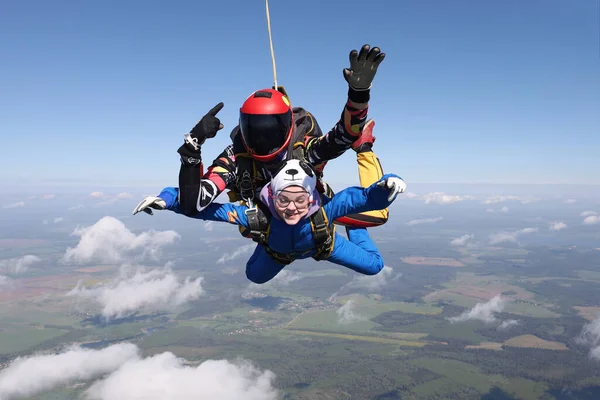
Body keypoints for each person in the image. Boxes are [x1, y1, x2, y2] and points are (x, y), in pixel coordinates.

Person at [172, 44, 389, 235]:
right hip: (267, 215)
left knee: (377, 215)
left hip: (309, 205)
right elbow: (192, 204)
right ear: (244, 128)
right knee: (257, 227)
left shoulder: (302, 148)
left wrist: (359, 94)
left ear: (287, 128)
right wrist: (193, 144)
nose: (263, 139)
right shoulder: (237, 158)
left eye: (271, 131)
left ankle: (364, 148)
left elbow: (343, 136)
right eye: (255, 130)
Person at [133, 158, 406, 284]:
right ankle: (267, 246)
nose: (291, 208)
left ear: (311, 197)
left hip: (325, 245)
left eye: (300, 200)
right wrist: (167, 199)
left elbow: (367, 198)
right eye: (283, 201)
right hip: (279, 253)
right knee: (254, 277)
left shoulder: (326, 208)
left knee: (374, 266)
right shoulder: (258, 216)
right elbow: (206, 210)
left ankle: (355, 227)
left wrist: (388, 186)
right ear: (272, 196)